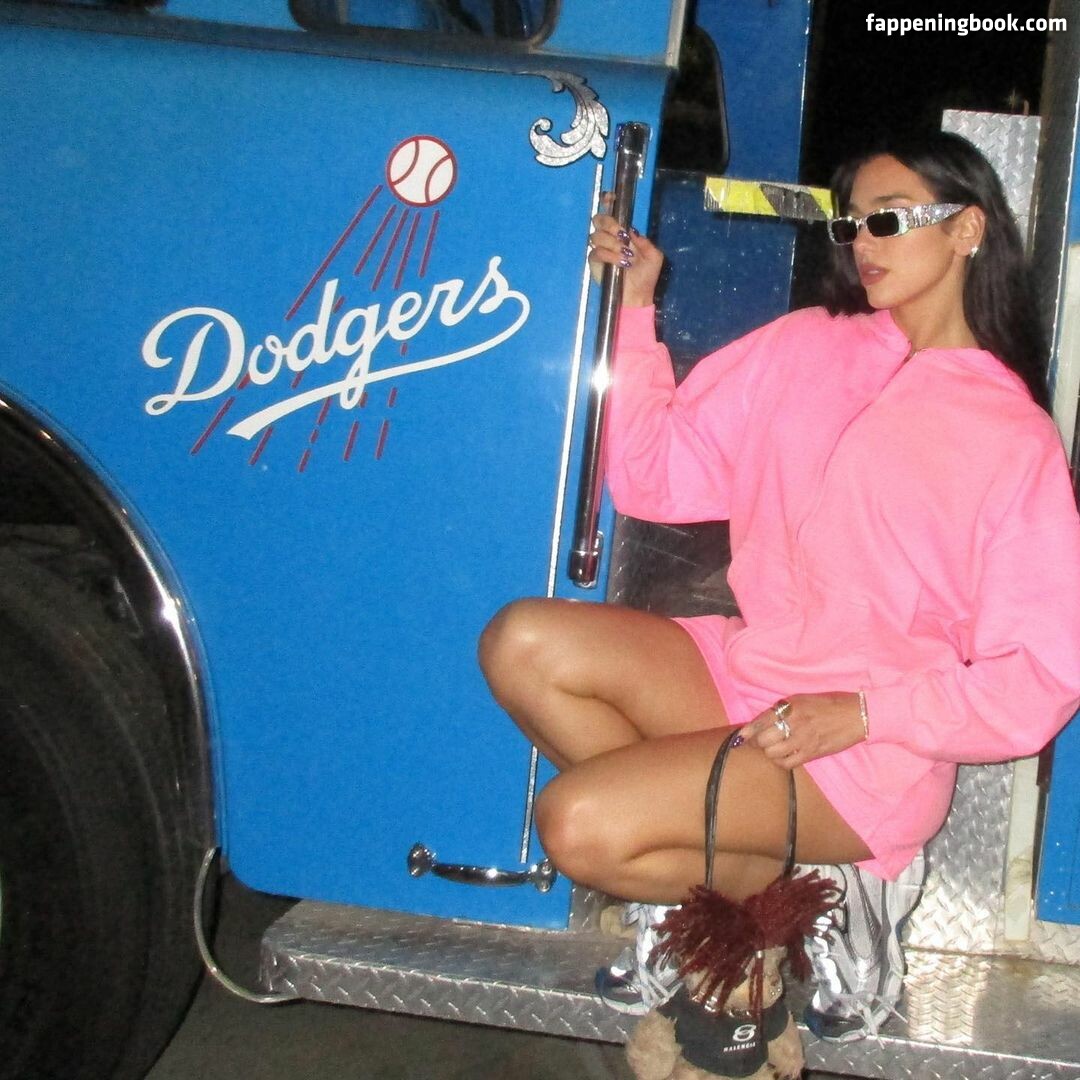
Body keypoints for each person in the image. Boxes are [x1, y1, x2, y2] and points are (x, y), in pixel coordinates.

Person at [478, 131, 1080, 1041]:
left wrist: (865, 713)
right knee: (521, 642)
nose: (862, 242)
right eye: (852, 223)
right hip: (752, 673)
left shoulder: (1010, 437)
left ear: (967, 230)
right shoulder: (807, 348)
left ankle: (797, 891)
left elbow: (1040, 678)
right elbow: (652, 476)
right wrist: (635, 308)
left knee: (578, 827)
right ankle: (762, 892)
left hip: (863, 750)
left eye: (887, 220)